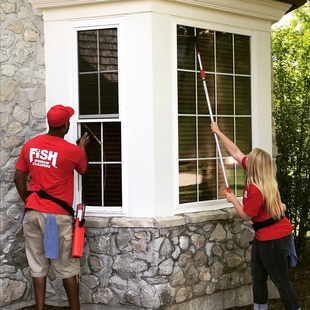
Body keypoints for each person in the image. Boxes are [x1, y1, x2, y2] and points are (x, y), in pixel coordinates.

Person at [210, 121, 300, 310]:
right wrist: (218, 132)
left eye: (249, 156)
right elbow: (235, 152)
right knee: (258, 277)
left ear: (254, 166)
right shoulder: (257, 175)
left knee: (281, 281)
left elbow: (246, 215)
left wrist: (233, 199)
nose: (246, 155)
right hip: (264, 236)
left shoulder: (257, 190)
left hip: (274, 238)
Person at [14, 104, 90, 310]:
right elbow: (83, 169)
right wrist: (82, 146)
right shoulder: (72, 151)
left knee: (37, 266)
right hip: (57, 216)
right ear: (66, 125)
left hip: (32, 214)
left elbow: (18, 177)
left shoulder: (31, 146)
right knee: (67, 268)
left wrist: (28, 200)